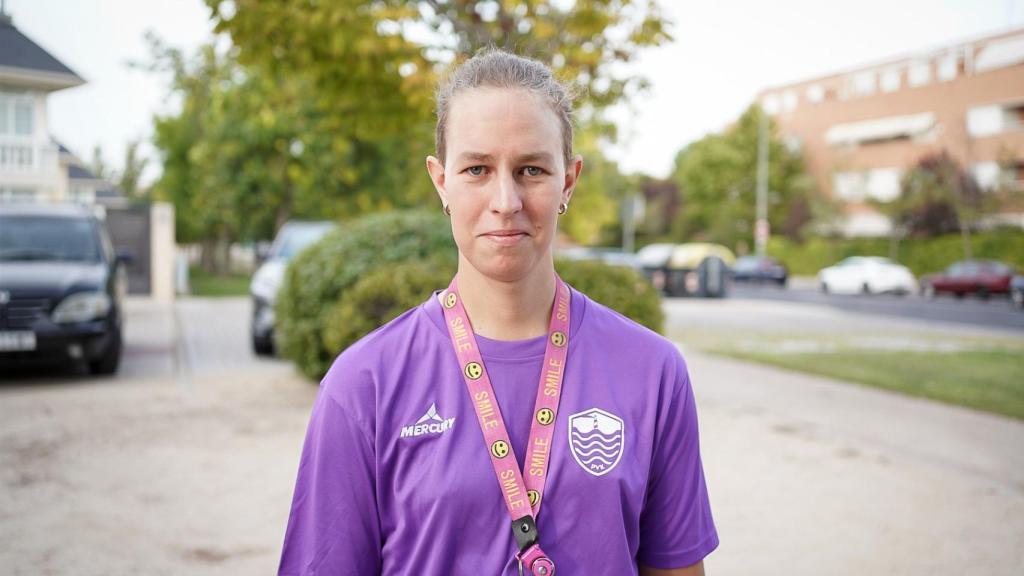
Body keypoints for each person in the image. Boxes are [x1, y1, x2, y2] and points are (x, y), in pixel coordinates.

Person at [278, 48, 718, 576]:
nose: (505, 200)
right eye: (477, 169)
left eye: (531, 169)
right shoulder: (362, 384)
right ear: (441, 181)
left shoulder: (651, 370)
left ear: (569, 182)